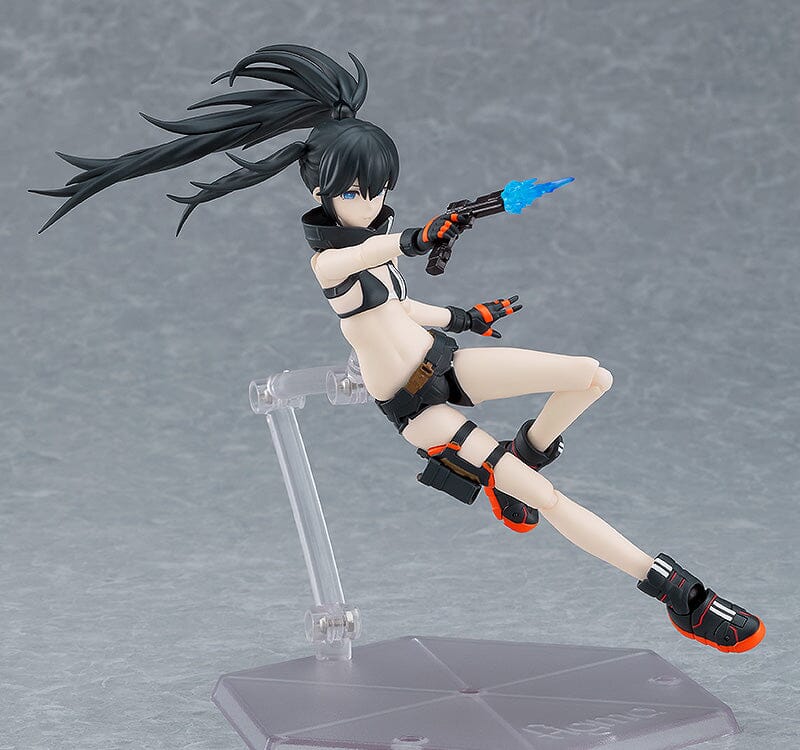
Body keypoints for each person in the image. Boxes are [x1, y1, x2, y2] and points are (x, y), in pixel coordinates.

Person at [32, 44, 764, 653]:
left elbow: (401, 304)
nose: (372, 203)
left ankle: (526, 456)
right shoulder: (329, 262)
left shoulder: (373, 245)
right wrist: (418, 235)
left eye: (380, 190)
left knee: (590, 376)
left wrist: (467, 314)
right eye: (356, 193)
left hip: (444, 360)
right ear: (321, 192)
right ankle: (677, 594)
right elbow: (376, 254)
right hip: (418, 408)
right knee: (548, 500)